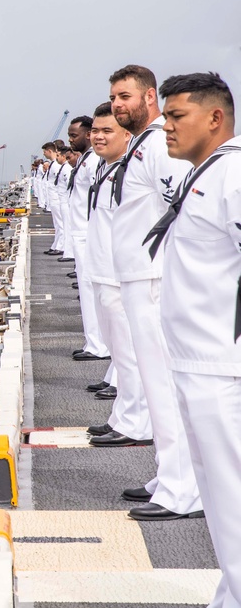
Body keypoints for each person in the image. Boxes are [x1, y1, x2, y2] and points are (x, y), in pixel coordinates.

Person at [152, 72, 240, 605]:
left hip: (222, 367)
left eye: (176, 116)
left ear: (215, 117)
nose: (166, 126)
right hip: (196, 362)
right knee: (220, 499)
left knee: (233, 496)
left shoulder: (233, 176)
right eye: (164, 115)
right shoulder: (206, 173)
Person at [99, 64, 199, 522]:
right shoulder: (142, 144)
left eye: (126, 96)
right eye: (115, 98)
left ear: (150, 97)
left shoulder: (157, 144)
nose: (119, 105)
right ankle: (170, 474)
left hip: (153, 279)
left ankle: (184, 489)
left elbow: (181, 204)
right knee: (156, 386)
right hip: (138, 277)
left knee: (163, 383)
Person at [84, 102, 149, 441]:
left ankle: (137, 423)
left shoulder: (128, 170)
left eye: (107, 130)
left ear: (126, 134)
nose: (98, 136)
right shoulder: (105, 167)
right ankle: (123, 416)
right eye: (95, 130)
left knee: (131, 354)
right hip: (101, 271)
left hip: (118, 274)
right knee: (120, 354)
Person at [65, 115, 109, 361]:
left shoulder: (93, 162)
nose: (71, 140)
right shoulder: (86, 160)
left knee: (93, 292)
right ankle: (94, 341)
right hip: (80, 233)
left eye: (75, 135)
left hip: (87, 233)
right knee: (87, 290)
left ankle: (99, 345)